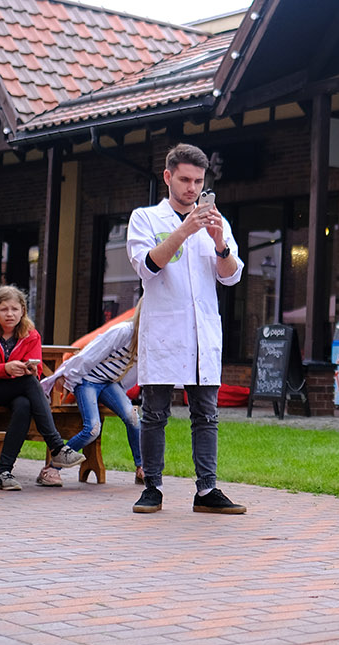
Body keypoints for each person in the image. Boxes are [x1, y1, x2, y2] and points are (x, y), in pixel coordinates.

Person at [126, 143, 245, 515]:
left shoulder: (216, 222)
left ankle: (207, 490)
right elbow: (147, 266)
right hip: (164, 329)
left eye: (198, 181)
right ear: (168, 177)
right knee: (154, 413)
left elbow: (231, 276)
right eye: (185, 180)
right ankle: (152, 487)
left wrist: (219, 243)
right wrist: (184, 231)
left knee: (206, 414)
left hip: (202, 331)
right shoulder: (145, 218)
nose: (192, 188)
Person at [0, 285, 85, 490]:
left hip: (16, 390)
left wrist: (28, 369)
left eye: (14, 309)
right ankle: (57, 446)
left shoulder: (31, 335)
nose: (10, 314)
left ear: (23, 311)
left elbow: (36, 373)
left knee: (24, 404)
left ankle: (3, 473)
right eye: (4, 309)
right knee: (28, 385)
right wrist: (6, 368)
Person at [40, 300, 144, 486]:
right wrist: (68, 377)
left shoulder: (152, 342)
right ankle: (51, 469)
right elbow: (90, 354)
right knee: (92, 429)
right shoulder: (123, 331)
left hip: (110, 383)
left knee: (133, 418)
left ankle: (142, 467)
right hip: (88, 380)